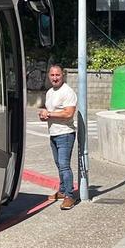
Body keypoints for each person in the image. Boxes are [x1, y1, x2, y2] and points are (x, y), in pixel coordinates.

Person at [39, 64, 78, 210]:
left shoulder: (67, 92)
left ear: (63, 75)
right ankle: (62, 191)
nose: (55, 78)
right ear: (49, 76)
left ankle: (69, 196)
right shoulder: (50, 92)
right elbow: (51, 112)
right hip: (54, 133)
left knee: (64, 165)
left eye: (58, 75)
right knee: (59, 164)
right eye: (52, 75)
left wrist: (49, 114)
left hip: (65, 134)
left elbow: (68, 113)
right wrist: (44, 115)